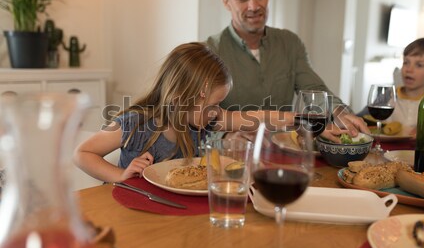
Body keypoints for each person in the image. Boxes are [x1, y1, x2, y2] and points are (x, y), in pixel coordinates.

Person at [74, 42, 299, 183]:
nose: (217, 113)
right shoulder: (136, 124)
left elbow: (257, 118)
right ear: (184, 98)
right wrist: (119, 175)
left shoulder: (201, 120)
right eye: (213, 105)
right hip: (128, 212)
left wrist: (297, 120)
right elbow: (82, 154)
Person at [206, 0, 368, 140]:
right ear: (226, 1)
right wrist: (225, 138)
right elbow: (197, 119)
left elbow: (314, 89)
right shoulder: (209, 51)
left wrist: (338, 111)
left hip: (286, 154)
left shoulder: (290, 43)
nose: (253, 6)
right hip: (233, 160)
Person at [359, 37, 424, 138]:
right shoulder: (389, 95)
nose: (409, 69)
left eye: (419, 65)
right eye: (406, 62)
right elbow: (361, 118)